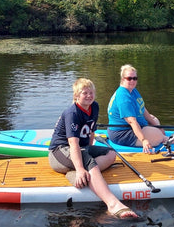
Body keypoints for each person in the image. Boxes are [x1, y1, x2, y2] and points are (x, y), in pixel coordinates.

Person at [49, 78, 138, 219]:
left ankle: (80, 173)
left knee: (110, 154)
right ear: (76, 96)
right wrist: (80, 168)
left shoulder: (94, 107)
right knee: (87, 160)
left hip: (81, 149)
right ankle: (113, 204)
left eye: (91, 92)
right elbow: (73, 144)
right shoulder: (72, 113)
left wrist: (90, 150)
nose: (89, 95)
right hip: (59, 152)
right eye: (85, 93)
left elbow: (91, 133)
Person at [107, 64, 168, 153]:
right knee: (158, 136)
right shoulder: (123, 97)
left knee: (154, 120)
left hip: (134, 125)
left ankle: (157, 133)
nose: (132, 81)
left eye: (135, 78)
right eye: (129, 78)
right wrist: (144, 140)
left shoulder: (132, 90)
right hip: (122, 132)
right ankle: (164, 139)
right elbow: (132, 121)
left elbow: (142, 109)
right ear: (123, 79)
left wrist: (158, 127)